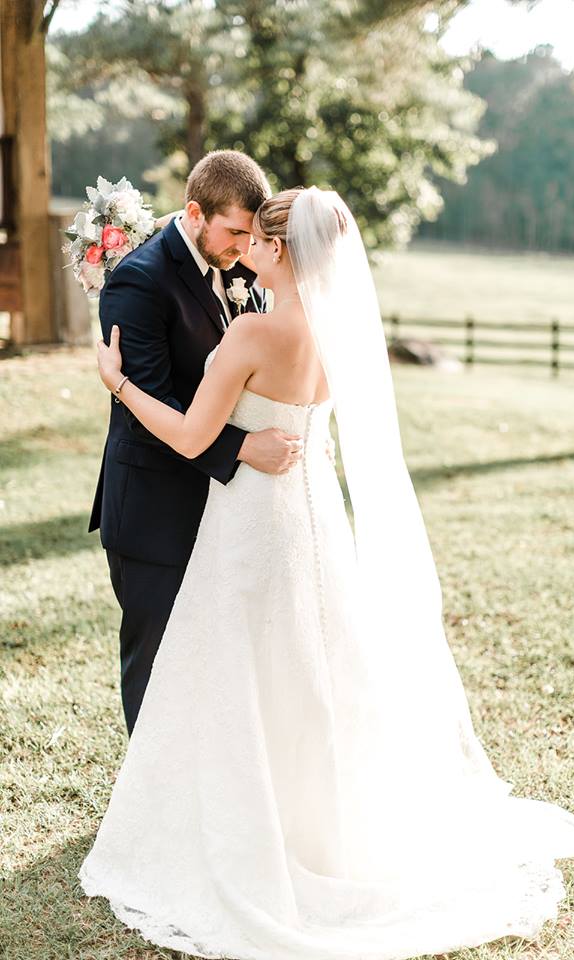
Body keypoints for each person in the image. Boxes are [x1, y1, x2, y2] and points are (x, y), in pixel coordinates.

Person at [79, 186, 574, 959]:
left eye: (258, 240)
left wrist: (118, 382)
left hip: (252, 523)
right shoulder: (334, 329)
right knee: (312, 668)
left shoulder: (255, 331)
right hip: (314, 518)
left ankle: (243, 822)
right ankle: (318, 823)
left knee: (243, 668)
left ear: (280, 249)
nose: (247, 251)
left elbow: (191, 437)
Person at [88, 150, 304, 736]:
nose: (244, 247)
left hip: (226, 511)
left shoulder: (240, 267)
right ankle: (150, 791)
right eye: (234, 232)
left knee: (212, 666)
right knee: (157, 666)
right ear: (194, 213)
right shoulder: (139, 280)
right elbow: (152, 408)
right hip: (155, 507)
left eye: (252, 236)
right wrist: (242, 447)